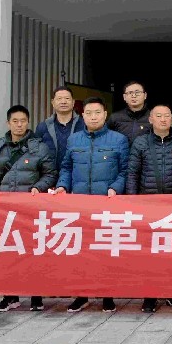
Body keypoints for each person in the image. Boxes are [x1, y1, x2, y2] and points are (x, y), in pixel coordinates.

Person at [53, 97, 130, 313]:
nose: (93, 117)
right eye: (89, 113)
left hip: (107, 205)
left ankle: (107, 295)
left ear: (105, 115)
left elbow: (125, 170)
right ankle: (82, 294)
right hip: (80, 206)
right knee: (81, 252)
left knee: (105, 251)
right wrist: (62, 186)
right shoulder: (74, 140)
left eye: (97, 113)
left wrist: (115, 187)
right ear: (83, 116)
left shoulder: (119, 140)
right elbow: (66, 167)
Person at [0, 104, 57, 312]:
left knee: (33, 251)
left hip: (30, 209)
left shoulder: (39, 147)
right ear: (8, 123)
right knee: (7, 252)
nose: (19, 125)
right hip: (6, 209)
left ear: (28, 122)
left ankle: (36, 296)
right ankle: (10, 296)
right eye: (15, 121)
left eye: (23, 121)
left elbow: (50, 173)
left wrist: (38, 187)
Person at [126, 103, 172, 313]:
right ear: (151, 119)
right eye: (159, 116)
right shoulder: (140, 143)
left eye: (167, 116)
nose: (163, 119)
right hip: (148, 206)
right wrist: (131, 202)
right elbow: (133, 173)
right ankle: (150, 295)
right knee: (150, 254)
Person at [34, 86, 86, 172]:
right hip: (49, 175)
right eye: (59, 98)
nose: (63, 102)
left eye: (67, 98)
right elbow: (35, 155)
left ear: (73, 102)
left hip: (77, 175)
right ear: (53, 102)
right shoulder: (43, 127)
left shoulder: (84, 125)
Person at [107, 80, 151, 145]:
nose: (134, 95)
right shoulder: (115, 117)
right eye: (130, 93)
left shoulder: (153, 117)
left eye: (137, 92)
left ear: (145, 95)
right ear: (124, 97)